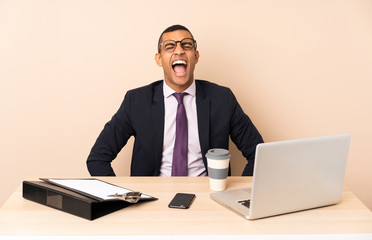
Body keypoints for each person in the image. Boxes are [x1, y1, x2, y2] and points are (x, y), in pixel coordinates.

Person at [87, 24, 263, 177]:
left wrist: (238, 194)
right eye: (170, 46)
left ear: (196, 56)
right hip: (153, 202)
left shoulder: (222, 99)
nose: (179, 50)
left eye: (186, 45)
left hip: (208, 199)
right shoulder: (136, 101)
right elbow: (97, 158)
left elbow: (259, 154)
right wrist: (122, 200)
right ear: (159, 59)